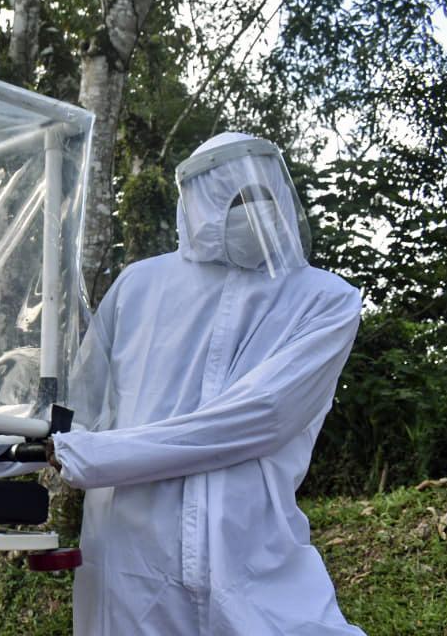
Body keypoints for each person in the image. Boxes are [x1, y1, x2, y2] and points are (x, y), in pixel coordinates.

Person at [47, 132, 365, 634]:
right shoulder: (139, 286)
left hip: (248, 544)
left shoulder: (324, 300)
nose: (253, 212)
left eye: (263, 196)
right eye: (236, 199)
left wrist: (95, 457)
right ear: (196, 201)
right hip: (130, 548)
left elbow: (263, 415)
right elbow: (78, 405)